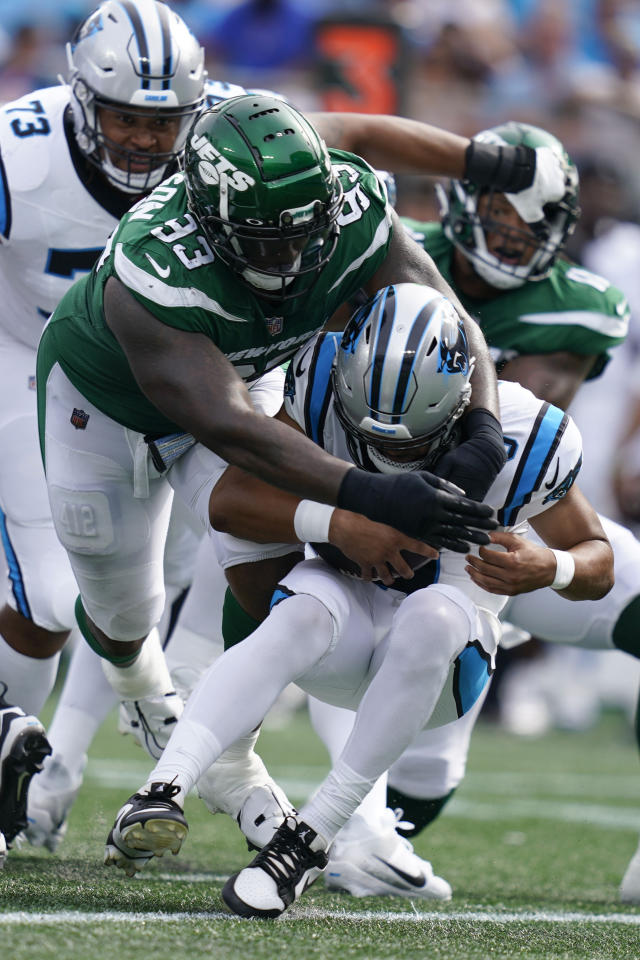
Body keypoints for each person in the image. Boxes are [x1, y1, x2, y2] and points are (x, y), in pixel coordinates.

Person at [21, 57, 568, 859]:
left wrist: (484, 423)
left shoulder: (335, 195)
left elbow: (440, 306)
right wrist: (368, 497)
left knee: (272, 550)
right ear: (210, 221)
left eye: (306, 234)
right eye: (265, 241)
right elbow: (228, 423)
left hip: (245, 377)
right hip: (106, 402)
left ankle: (227, 752)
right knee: (121, 606)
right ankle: (142, 689)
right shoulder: (151, 271)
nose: (293, 257)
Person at [100, 282, 612, 914]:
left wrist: (551, 566)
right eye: (372, 437)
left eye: (410, 445)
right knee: (308, 600)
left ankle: (308, 840)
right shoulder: (318, 382)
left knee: (431, 613)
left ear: (459, 407)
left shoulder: (521, 435)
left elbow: (599, 560)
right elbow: (231, 503)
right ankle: (161, 787)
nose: (389, 454)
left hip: (444, 665)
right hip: (342, 623)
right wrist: (338, 523)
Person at [334, 120, 640, 903]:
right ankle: (324, 824)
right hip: (405, 533)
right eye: (498, 215)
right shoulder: (389, 256)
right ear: (463, 204)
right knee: (429, 767)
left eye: (529, 224)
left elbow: (515, 427)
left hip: (519, 532)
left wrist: (557, 564)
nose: (511, 236)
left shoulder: (584, 309)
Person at [0, 0, 212, 853]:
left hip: (154, 385)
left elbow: (344, 139)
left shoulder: (224, 143)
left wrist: (461, 156)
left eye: (164, 123)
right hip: (25, 357)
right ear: (82, 99)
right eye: (126, 116)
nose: (144, 140)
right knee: (55, 595)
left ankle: (50, 759)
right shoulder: (20, 153)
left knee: (160, 572)